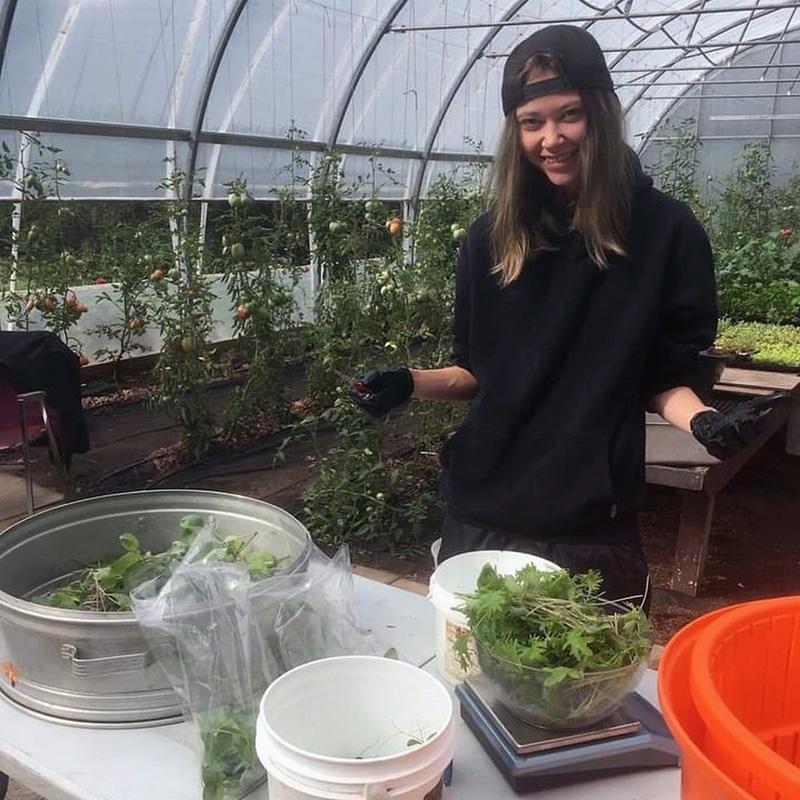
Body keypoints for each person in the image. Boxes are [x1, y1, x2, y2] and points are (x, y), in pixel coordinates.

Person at [350, 25, 788, 609]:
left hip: (589, 523)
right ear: (515, 132)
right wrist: (407, 383)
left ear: (600, 114)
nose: (551, 139)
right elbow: (475, 372)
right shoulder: (491, 238)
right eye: (532, 122)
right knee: (476, 674)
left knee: (581, 685)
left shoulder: (666, 233)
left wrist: (707, 423)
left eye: (569, 116)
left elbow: (664, 377)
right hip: (482, 510)